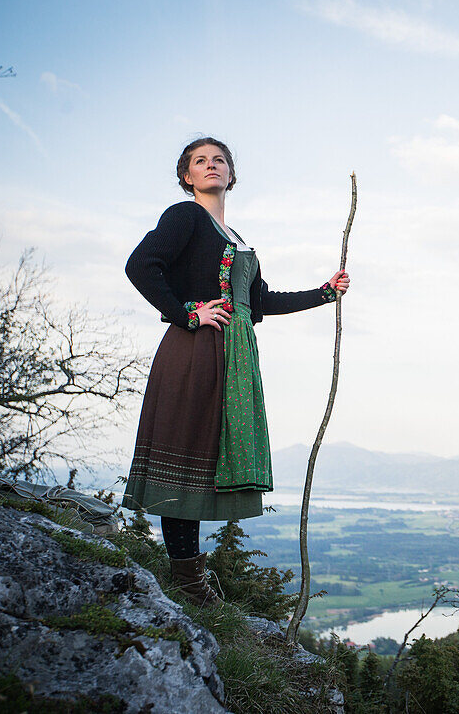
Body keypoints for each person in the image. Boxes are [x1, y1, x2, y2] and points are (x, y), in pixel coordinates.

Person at [122, 136, 349, 606]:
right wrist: (186, 313)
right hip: (192, 352)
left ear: (231, 175)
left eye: (218, 160)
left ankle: (188, 580)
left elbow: (260, 302)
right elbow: (141, 265)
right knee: (182, 460)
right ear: (187, 176)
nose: (210, 166)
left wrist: (325, 292)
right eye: (199, 161)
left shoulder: (238, 240)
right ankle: (188, 583)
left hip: (232, 358)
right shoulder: (185, 217)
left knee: (205, 460)